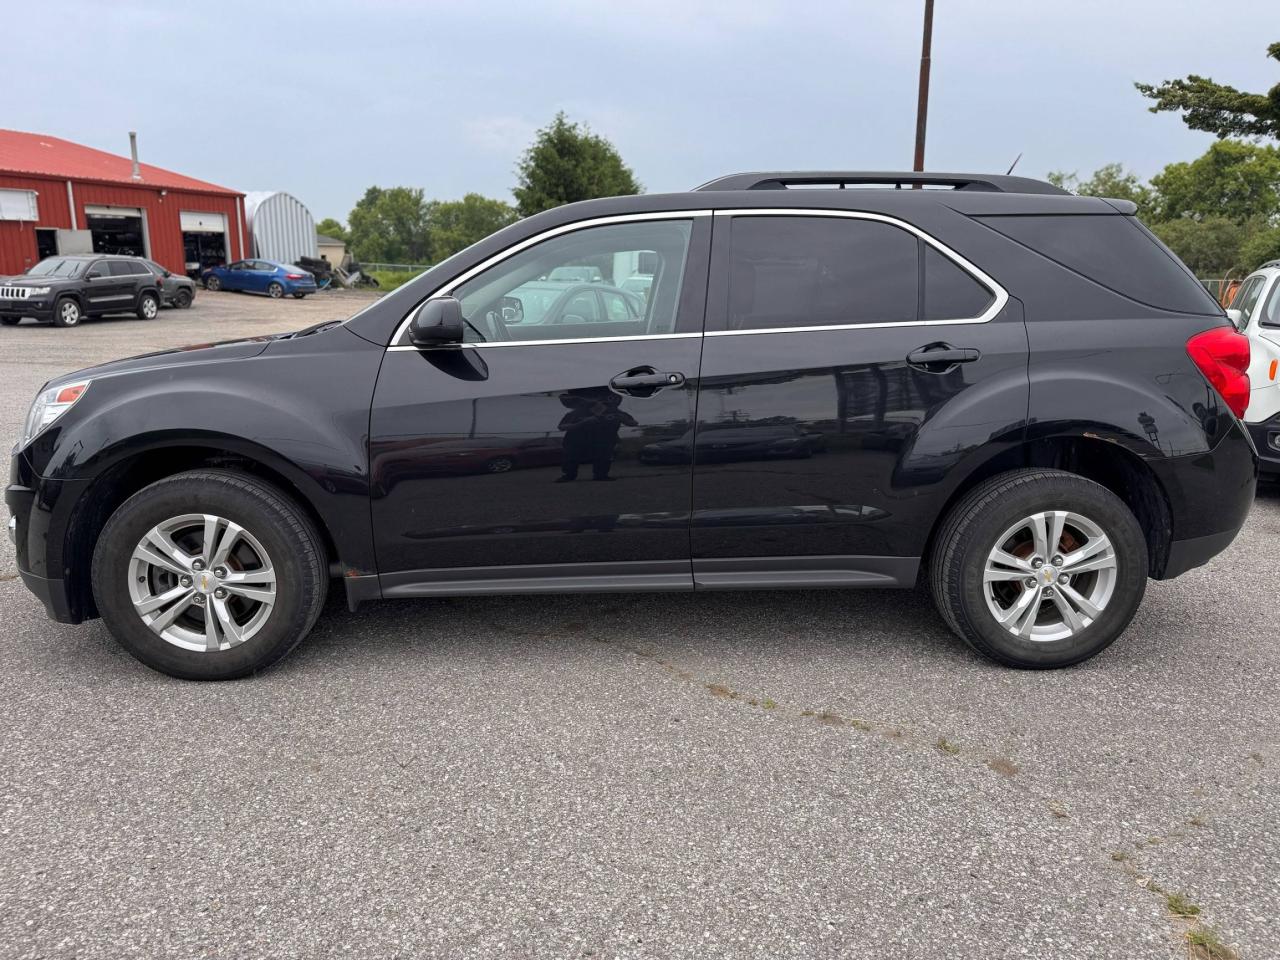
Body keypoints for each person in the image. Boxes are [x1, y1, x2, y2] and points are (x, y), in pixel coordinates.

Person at [556, 391, 637, 482]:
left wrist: (623, 419)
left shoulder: (617, 413)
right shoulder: (578, 412)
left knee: (603, 457)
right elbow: (561, 427)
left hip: (603, 442)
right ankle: (568, 475)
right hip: (577, 441)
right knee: (571, 457)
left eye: (615, 399)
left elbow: (633, 423)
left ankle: (601, 475)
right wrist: (583, 423)